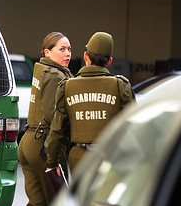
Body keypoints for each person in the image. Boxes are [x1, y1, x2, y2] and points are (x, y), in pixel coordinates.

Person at [44, 31, 135, 175]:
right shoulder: (120, 85)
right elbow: (132, 126)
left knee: (80, 197)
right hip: (109, 156)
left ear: (86, 56)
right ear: (109, 61)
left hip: (78, 157)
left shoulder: (67, 86)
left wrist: (52, 162)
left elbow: (57, 130)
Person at [19, 32, 73, 206]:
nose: (67, 53)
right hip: (44, 146)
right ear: (47, 52)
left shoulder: (40, 69)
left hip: (28, 143)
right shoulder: (54, 76)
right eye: (62, 49)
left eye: (69, 49)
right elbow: (55, 117)